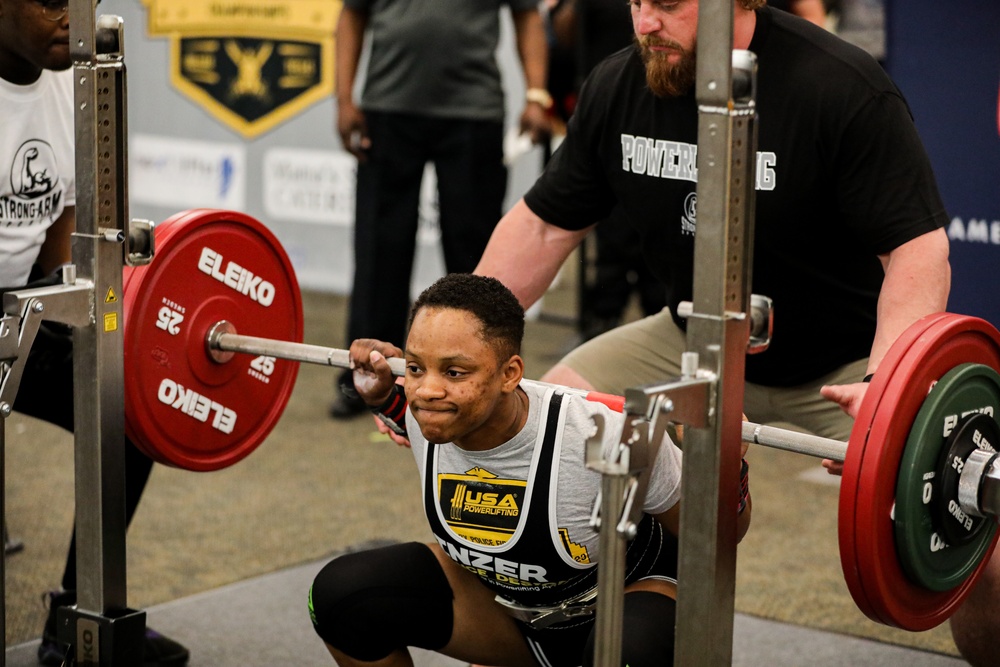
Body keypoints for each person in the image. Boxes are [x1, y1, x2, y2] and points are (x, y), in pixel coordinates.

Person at [473, 0, 951, 449]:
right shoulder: (619, 84)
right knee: (544, 428)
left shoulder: (839, 85)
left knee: (924, 491)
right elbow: (543, 229)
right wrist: (458, 344)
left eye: (668, 4)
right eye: (637, 3)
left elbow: (918, 249)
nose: (644, 25)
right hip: (690, 340)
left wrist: (884, 385)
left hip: (844, 361)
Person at [308, 273, 751, 666]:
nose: (428, 390)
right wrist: (383, 397)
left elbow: (715, 540)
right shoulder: (426, 414)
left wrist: (726, 469)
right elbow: (404, 402)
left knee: (626, 654)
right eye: (417, 367)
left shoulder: (600, 434)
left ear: (510, 373)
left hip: (623, 612)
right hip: (504, 615)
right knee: (340, 598)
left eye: (455, 372)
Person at [0, 1, 188, 664]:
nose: (70, 18)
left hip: (16, 306)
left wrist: (49, 304)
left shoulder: (77, 87)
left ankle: (77, 620)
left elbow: (70, 213)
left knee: (126, 411)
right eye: (51, 2)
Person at [329, 0, 553, 419]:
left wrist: (537, 95)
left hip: (473, 113)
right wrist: (344, 98)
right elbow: (352, 14)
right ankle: (364, 377)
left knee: (474, 256)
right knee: (381, 249)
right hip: (388, 110)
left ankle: (480, 377)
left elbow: (527, 16)